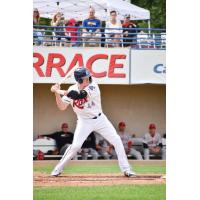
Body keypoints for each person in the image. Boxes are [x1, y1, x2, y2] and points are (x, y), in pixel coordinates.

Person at [50, 67, 136, 177]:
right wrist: (56, 94)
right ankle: (58, 169)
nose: (88, 80)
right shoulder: (72, 88)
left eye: (88, 77)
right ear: (79, 80)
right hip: (84, 121)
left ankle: (126, 169)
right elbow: (62, 107)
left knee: (116, 140)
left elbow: (78, 95)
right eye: (85, 78)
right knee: (75, 146)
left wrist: (58, 90)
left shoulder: (93, 86)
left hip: (100, 119)